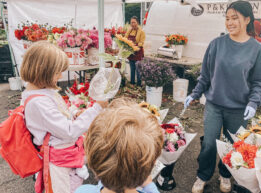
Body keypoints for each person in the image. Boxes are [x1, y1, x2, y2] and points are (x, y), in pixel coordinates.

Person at [184, 0, 261, 193]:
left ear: (247, 19)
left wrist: (254, 102)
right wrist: (195, 93)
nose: (230, 22)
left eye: (235, 18)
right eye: (227, 18)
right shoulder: (216, 44)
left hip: (239, 109)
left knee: (232, 147)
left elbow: (260, 81)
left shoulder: (257, 49)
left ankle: (225, 174)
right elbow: (205, 75)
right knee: (209, 144)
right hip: (214, 104)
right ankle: (203, 175)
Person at [20, 42, 108, 193]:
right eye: (57, 72)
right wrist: (96, 108)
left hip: (64, 155)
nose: (61, 75)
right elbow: (68, 131)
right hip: (58, 163)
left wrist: (74, 113)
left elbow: (57, 115)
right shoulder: (38, 103)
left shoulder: (42, 93)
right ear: (43, 72)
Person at [75, 98, 163, 193]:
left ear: (92, 159)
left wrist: (108, 174)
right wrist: (150, 186)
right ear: (153, 163)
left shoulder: (82, 191)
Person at [126, 16, 146, 86]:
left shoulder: (141, 32)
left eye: (134, 22)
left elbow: (141, 42)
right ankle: (132, 83)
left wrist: (134, 45)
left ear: (137, 23)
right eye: (131, 22)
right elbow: (125, 39)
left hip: (138, 52)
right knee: (132, 68)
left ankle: (139, 84)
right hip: (131, 53)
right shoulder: (129, 31)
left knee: (138, 70)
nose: (132, 24)